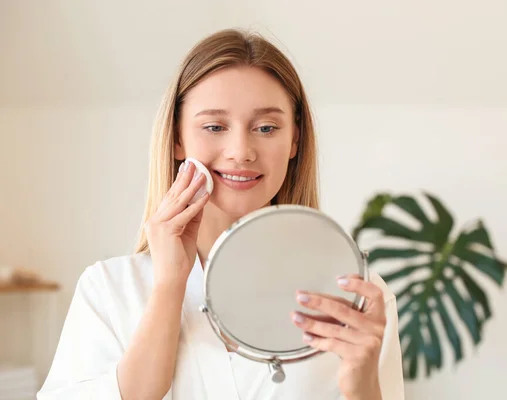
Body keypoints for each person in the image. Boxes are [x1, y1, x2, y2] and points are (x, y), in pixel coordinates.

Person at [37, 29, 405, 400]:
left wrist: (363, 385)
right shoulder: (109, 289)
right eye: (214, 126)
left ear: (295, 140)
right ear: (178, 138)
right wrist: (169, 287)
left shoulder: (357, 300)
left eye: (266, 128)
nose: (240, 151)